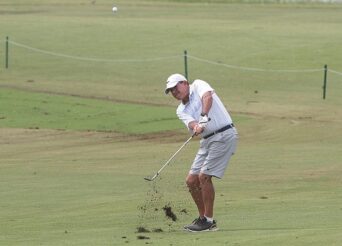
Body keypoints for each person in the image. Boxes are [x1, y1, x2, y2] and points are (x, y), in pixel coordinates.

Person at [164, 73, 238, 232]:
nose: (174, 93)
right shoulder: (180, 109)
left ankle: (209, 221)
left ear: (184, 83)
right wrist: (196, 126)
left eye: (175, 88)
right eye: (171, 91)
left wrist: (203, 116)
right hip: (207, 140)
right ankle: (203, 218)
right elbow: (190, 123)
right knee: (191, 180)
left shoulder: (198, 85)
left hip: (224, 134)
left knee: (204, 176)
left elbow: (207, 97)